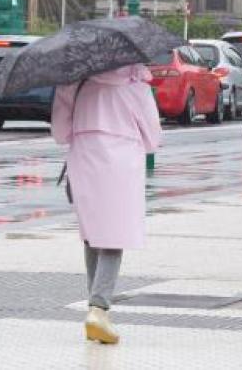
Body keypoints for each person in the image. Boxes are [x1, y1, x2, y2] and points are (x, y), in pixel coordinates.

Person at [52, 64, 162, 345]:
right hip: (122, 159)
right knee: (115, 234)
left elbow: (60, 130)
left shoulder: (75, 82)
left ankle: (95, 306)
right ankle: (98, 308)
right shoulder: (134, 84)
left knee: (93, 232)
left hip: (84, 154)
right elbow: (153, 136)